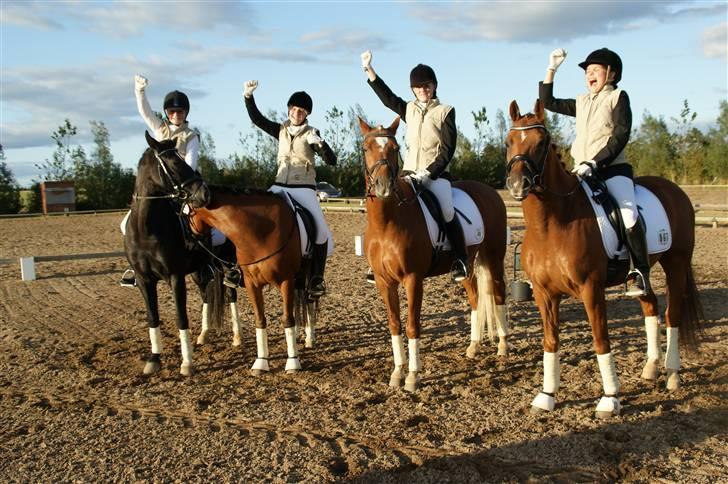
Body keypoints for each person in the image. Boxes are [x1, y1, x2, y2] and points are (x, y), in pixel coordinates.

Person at [539, 47, 651, 297]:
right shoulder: (582, 101)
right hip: (582, 171)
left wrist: (596, 162)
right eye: (587, 71)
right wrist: (551, 69)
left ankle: (640, 273)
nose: (589, 74)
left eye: (595, 70)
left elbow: (621, 135)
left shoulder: (618, 97)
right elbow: (548, 102)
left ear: (611, 74)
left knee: (628, 213)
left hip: (612, 170)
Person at [360, 50, 467, 282]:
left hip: (436, 176)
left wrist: (430, 174)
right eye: (418, 88)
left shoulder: (445, 111)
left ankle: (460, 259)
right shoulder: (409, 109)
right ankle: (377, 261)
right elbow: (388, 98)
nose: (423, 91)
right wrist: (370, 71)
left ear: (434, 86)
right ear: (413, 90)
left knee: (447, 210)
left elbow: (448, 149)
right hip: (408, 173)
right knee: (383, 207)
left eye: (426, 86)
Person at [241, 80, 337, 296]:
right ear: (289, 109)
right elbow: (257, 119)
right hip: (278, 186)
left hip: (303, 188)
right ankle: (239, 270)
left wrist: (320, 143)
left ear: (306, 114)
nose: (296, 113)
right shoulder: (281, 129)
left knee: (321, 231)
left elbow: (331, 160)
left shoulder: (312, 133)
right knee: (251, 218)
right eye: (294, 109)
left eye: (301, 111)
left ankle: (316, 280)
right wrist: (248, 97)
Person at [119, 74, 205, 287]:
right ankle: (136, 266)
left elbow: (191, 165)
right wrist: (140, 91)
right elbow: (144, 111)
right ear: (167, 113)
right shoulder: (159, 128)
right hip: (158, 189)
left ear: (186, 113)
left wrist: (178, 182)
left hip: (182, 187)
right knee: (125, 224)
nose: (176, 114)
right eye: (172, 111)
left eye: (180, 111)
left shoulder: (191, 136)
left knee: (193, 222)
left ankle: (204, 260)